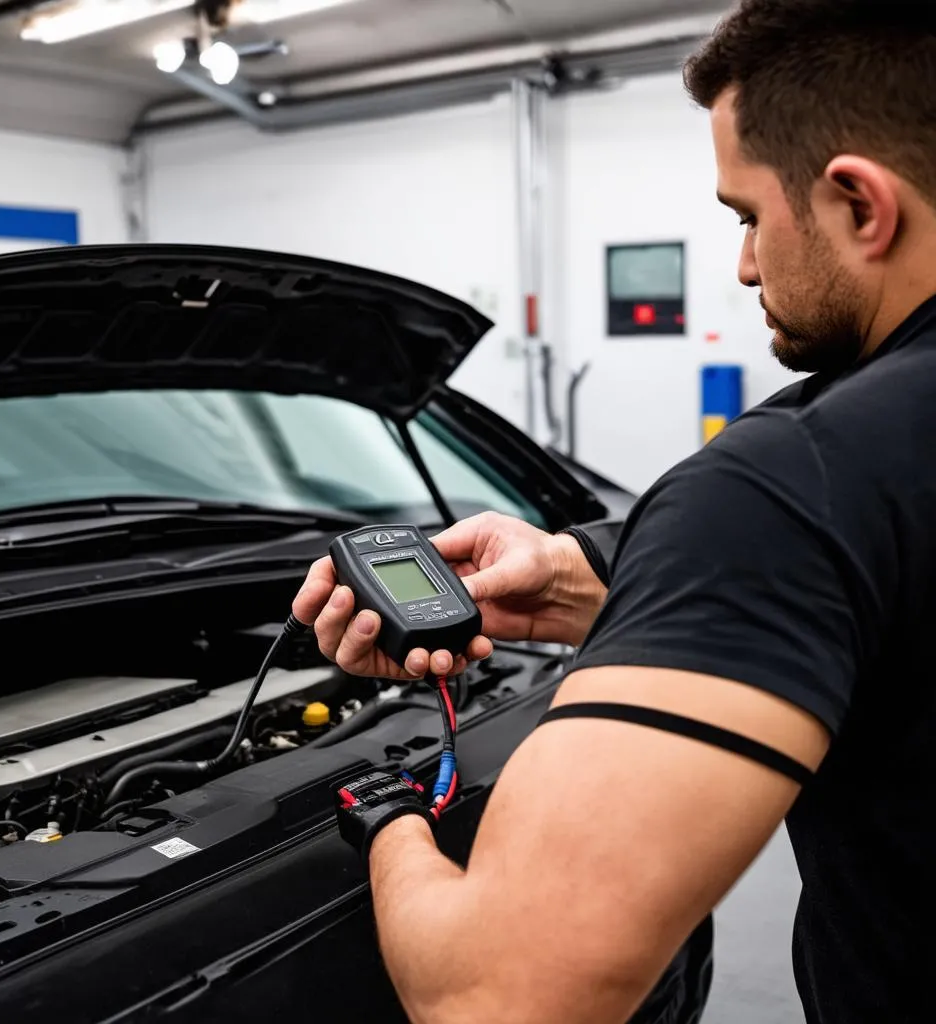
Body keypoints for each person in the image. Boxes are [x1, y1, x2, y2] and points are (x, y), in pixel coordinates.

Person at [294, 1, 936, 1020]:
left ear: (859, 203)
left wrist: (387, 824)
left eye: (745, 216)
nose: (744, 266)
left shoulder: (792, 474)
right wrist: (576, 578)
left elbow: (497, 998)